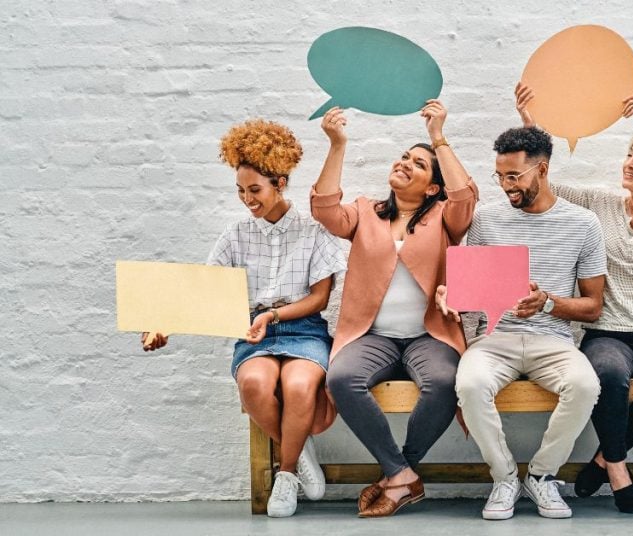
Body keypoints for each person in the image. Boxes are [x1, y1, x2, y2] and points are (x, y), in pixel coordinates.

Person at [514, 83, 633, 514]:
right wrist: (531, 128)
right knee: (607, 379)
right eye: (629, 155)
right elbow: (546, 186)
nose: (631, 164)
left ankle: (603, 457)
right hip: (605, 330)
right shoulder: (600, 203)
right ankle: (618, 468)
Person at [142, 119, 346, 518]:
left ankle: (285, 475)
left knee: (301, 385)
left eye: (255, 190)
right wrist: (164, 323)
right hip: (253, 333)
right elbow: (204, 290)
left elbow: (320, 299)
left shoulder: (312, 232)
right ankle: (298, 445)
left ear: (280, 183)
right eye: (240, 191)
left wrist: (273, 314)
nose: (247, 199)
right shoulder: (234, 235)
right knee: (254, 384)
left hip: (303, 329)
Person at [309, 101, 477, 518]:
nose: (405, 163)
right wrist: (336, 145)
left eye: (419, 164)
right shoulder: (366, 212)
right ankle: (402, 476)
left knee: (444, 380)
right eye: (405, 156)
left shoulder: (443, 216)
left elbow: (465, 197)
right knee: (343, 378)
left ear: (432, 187)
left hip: (428, 335)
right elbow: (324, 209)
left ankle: (398, 473)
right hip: (373, 336)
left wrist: (438, 138)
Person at [436, 126, 606, 520]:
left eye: (514, 176)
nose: (506, 186)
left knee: (585, 385)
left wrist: (547, 304)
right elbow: (469, 294)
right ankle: (505, 476)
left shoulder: (583, 224)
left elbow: (593, 307)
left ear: (541, 170)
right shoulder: (487, 220)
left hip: (554, 341)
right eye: (500, 176)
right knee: (471, 384)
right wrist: (452, 297)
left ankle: (543, 476)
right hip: (496, 339)